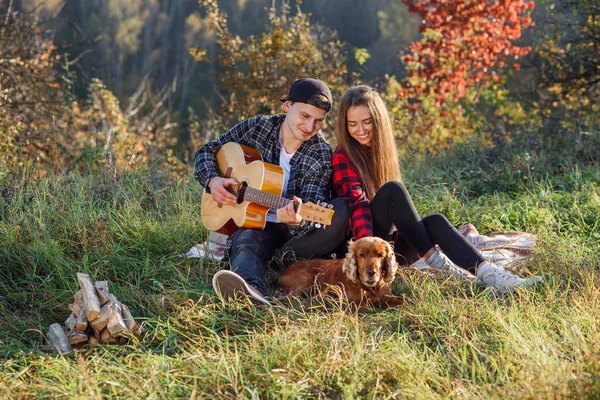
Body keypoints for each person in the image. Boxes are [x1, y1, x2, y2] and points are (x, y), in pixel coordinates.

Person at [331, 85, 542, 294]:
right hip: (360, 251)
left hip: (384, 247)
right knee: (393, 191)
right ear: (345, 125)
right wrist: (366, 248)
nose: (360, 130)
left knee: (435, 222)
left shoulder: (379, 152)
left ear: (378, 121)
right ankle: (441, 264)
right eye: (353, 124)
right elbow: (357, 204)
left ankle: (491, 275)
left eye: (367, 122)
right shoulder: (343, 156)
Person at [194, 78, 350, 305]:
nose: (310, 127)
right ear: (287, 106)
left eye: (319, 121)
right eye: (304, 116)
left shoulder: (320, 153)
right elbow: (207, 150)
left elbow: (314, 204)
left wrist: (297, 220)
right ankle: (250, 291)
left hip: (289, 235)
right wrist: (213, 180)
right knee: (248, 236)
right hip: (251, 225)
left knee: (338, 212)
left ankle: (268, 266)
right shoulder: (259, 127)